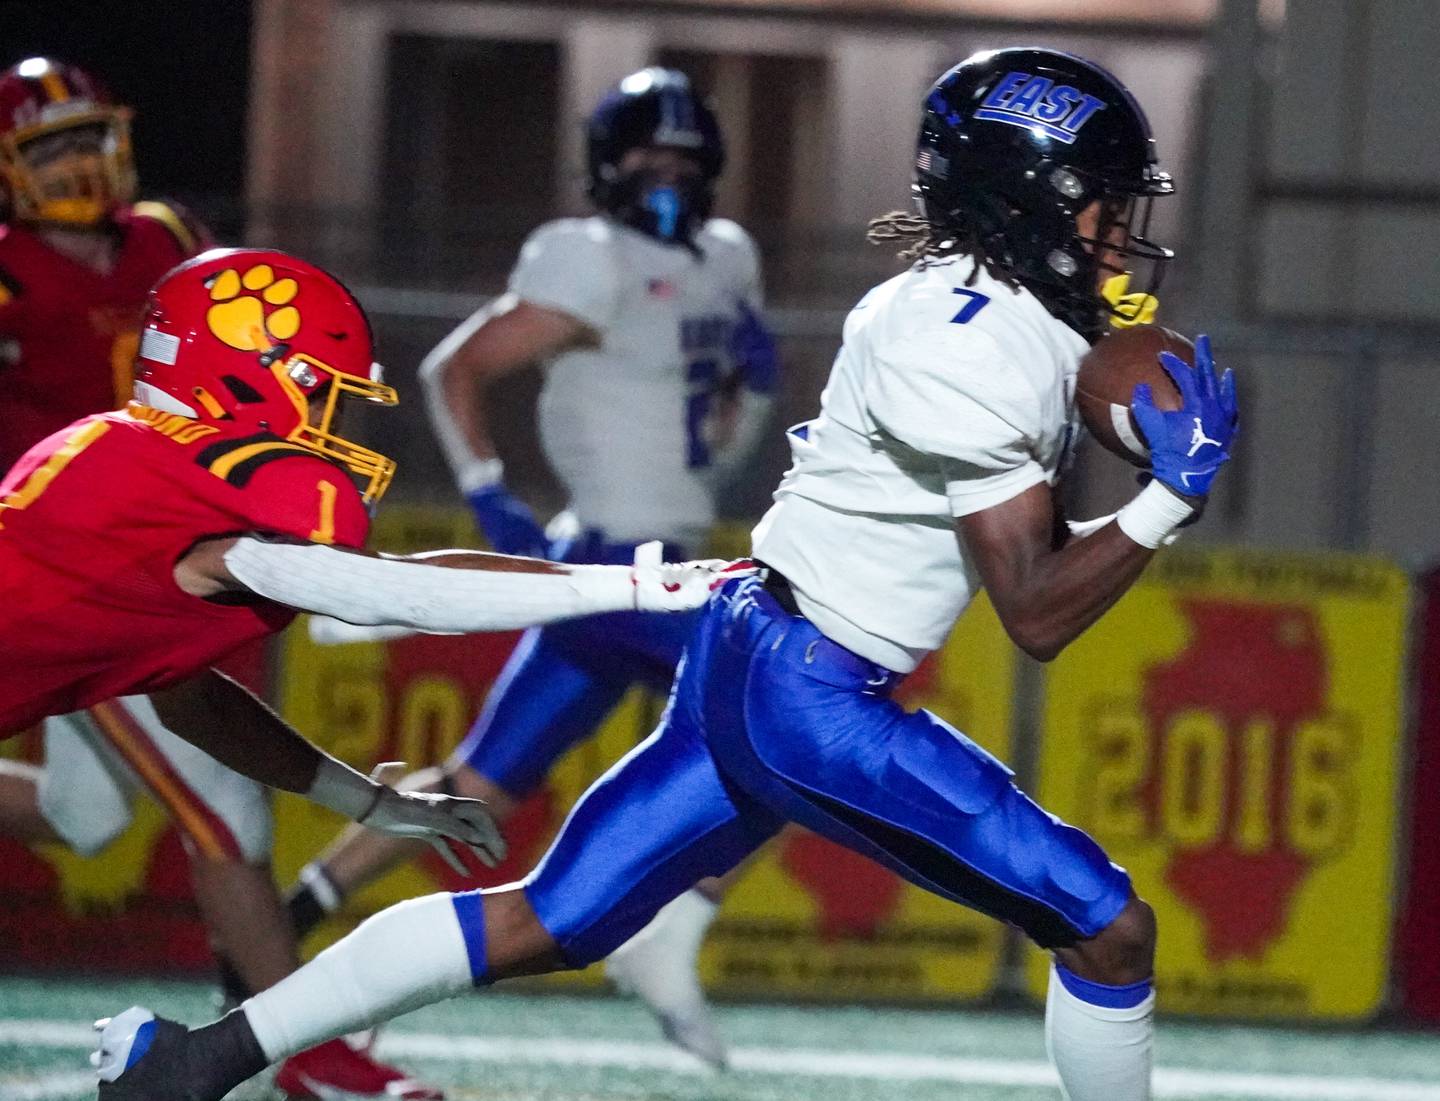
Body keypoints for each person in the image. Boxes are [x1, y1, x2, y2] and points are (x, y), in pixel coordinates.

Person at [94, 49, 1238, 1101]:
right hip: (809, 694)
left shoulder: (990, 315)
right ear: (1025, 201)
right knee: (1109, 927)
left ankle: (199, 1060)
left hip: (757, 648)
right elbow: (1034, 609)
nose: (1118, 231)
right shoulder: (970, 340)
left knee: (549, 920)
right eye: (1102, 200)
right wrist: (1168, 496)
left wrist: (1141, 484)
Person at [275, 66, 777, 1067]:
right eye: (650, 154)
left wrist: (748, 408)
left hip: (664, 553)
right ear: (607, 162)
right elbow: (453, 365)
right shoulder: (587, 258)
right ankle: (671, 930)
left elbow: (720, 414)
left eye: (686, 158)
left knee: (478, 788)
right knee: (797, 704)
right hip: (616, 561)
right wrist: (489, 489)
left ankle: (281, 923)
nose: (667, 173)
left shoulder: (727, 257)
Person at [0, 57, 444, 1098]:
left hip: (167, 561)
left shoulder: (166, 240)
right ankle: (306, 1055)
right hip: (78, 581)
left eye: (84, 138)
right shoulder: (13, 269)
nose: (74, 164)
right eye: (47, 146)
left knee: (87, 817)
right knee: (221, 819)